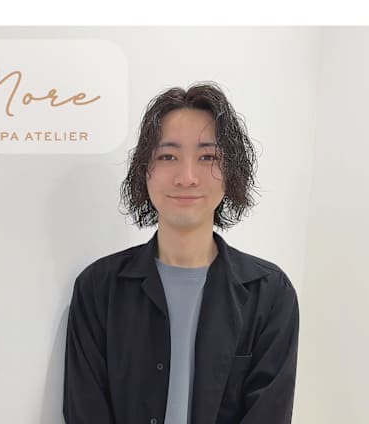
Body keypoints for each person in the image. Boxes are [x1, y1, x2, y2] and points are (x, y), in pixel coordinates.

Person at [63, 82, 299, 424]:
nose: (187, 177)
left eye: (207, 157)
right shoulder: (98, 290)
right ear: (145, 170)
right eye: (168, 156)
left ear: (230, 171)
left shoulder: (271, 294)